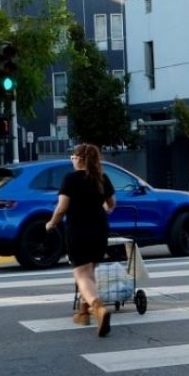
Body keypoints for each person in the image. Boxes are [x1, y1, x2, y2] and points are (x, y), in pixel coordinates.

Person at [46, 144, 116, 337]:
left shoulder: (70, 179)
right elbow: (111, 204)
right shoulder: (102, 178)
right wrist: (101, 208)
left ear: (80, 159)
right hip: (100, 231)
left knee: (81, 275)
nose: (72, 160)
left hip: (78, 231)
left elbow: (62, 208)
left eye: (73, 157)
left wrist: (51, 224)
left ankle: (98, 308)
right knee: (90, 270)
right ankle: (83, 313)